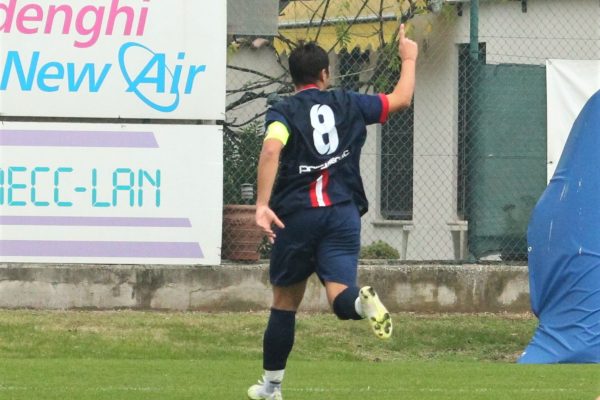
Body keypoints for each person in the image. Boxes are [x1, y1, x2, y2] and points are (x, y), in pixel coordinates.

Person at [247, 23, 418, 400]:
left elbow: (272, 149)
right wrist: (409, 58)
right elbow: (401, 98)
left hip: (297, 217)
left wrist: (261, 205)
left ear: (293, 78)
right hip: (341, 215)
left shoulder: (283, 110)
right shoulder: (349, 101)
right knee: (342, 300)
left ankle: (272, 387)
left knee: (284, 303)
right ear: (325, 74)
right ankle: (363, 303)